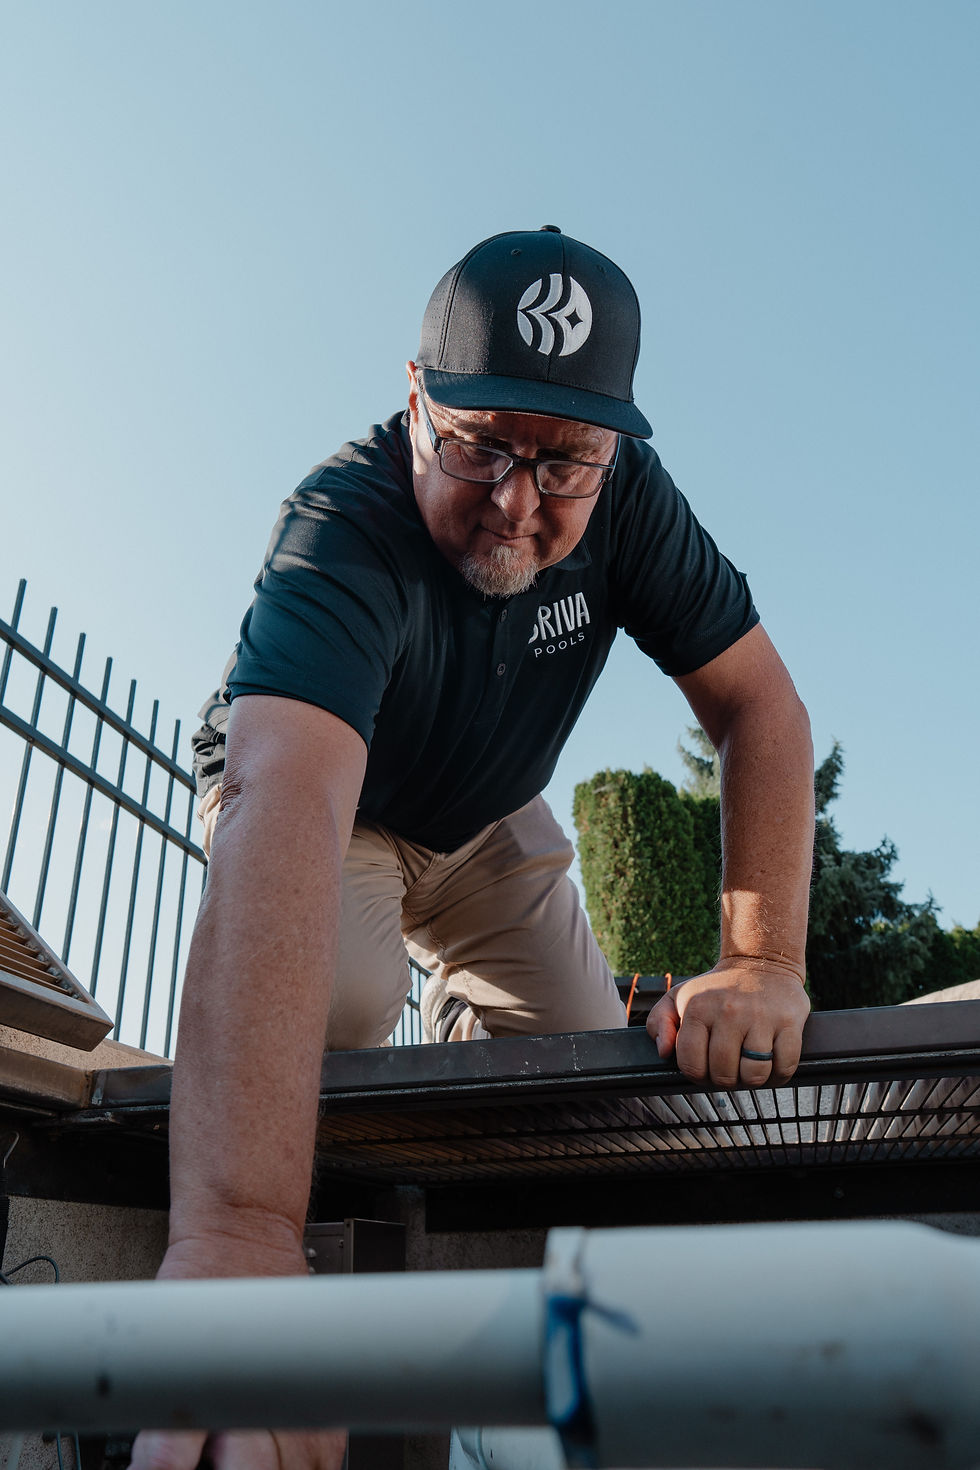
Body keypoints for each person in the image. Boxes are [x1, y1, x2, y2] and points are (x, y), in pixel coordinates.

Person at [130, 227, 813, 1470]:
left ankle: (461, 1009)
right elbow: (287, 796)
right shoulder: (339, 526)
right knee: (344, 995)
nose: (516, 501)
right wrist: (233, 1240)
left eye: (562, 463)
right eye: (480, 444)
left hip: (491, 817)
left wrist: (762, 961)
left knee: (576, 1069)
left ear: (610, 450)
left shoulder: (630, 501)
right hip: (335, 803)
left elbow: (757, 706)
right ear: (415, 398)